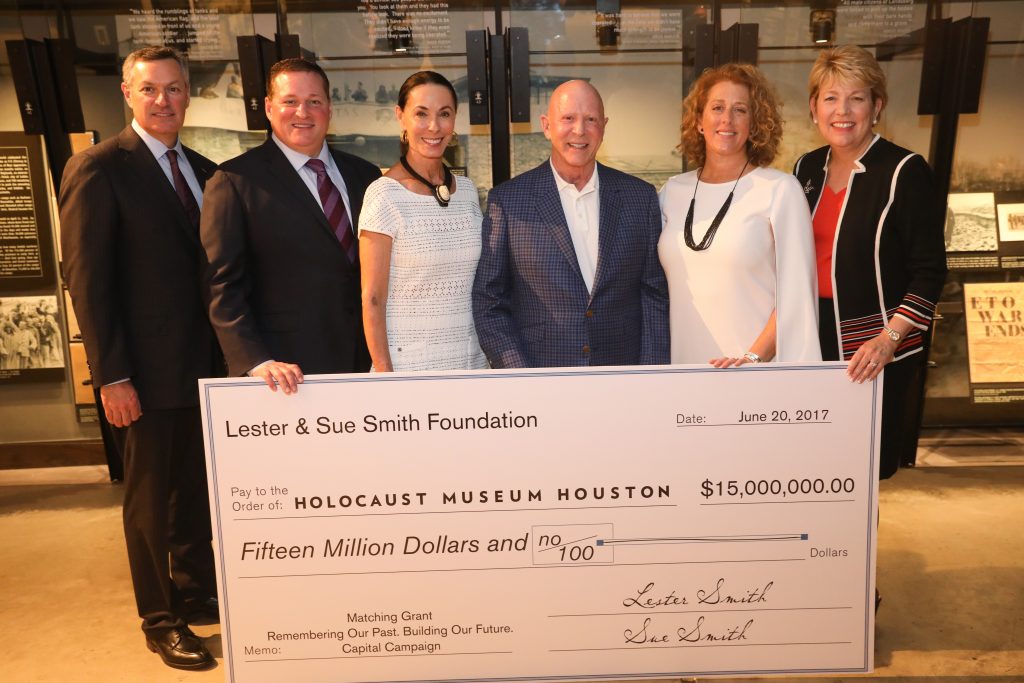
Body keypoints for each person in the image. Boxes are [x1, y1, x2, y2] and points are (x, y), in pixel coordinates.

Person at [59, 46, 221, 670]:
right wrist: (113, 376)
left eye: (175, 88)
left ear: (188, 95)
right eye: (150, 89)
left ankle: (194, 589)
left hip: (203, 369)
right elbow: (88, 280)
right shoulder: (99, 168)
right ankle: (160, 618)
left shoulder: (206, 171)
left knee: (194, 493)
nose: (164, 100)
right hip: (142, 377)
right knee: (150, 503)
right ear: (128, 94)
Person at [795, 45, 946, 479]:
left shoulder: (905, 170)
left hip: (874, 350)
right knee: (810, 467)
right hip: (811, 342)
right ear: (813, 107)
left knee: (860, 473)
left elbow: (930, 271)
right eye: (830, 98)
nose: (842, 111)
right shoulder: (805, 169)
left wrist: (888, 340)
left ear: (876, 106)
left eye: (856, 98)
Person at [201, 58, 381, 391]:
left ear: (329, 108)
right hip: (287, 375)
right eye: (290, 102)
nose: (303, 112)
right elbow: (222, 286)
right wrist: (255, 361)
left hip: (367, 364)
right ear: (269, 108)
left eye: (314, 101)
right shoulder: (234, 181)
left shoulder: (366, 176)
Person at [472, 80, 669, 368]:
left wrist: (650, 373)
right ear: (547, 126)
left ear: (603, 126)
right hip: (540, 378)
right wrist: (518, 374)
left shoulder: (640, 198)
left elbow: (654, 295)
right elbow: (488, 300)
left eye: (590, 119)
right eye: (568, 119)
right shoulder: (509, 201)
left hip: (622, 377)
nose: (579, 130)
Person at [659, 63, 820, 366]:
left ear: (755, 123)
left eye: (740, 110)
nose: (727, 119)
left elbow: (796, 296)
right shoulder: (671, 192)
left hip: (752, 374)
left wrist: (751, 360)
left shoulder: (780, 191)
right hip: (682, 373)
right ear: (698, 121)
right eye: (717, 107)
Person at [359, 71, 487, 372]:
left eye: (445, 114)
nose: (434, 127)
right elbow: (372, 300)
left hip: (472, 363)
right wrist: (385, 376)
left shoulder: (466, 191)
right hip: (410, 370)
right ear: (400, 116)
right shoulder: (384, 196)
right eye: (421, 114)